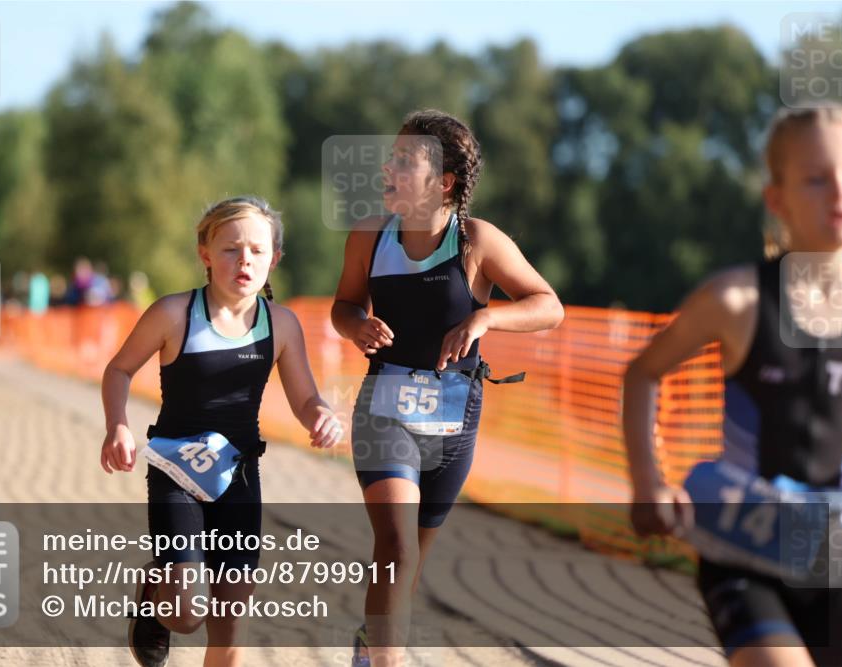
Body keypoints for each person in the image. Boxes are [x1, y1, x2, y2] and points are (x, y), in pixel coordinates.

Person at [330, 109, 564, 667]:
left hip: (456, 415)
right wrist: (354, 324)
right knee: (397, 547)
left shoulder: (476, 241)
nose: (388, 168)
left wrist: (485, 320)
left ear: (445, 182)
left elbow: (547, 305)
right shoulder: (370, 235)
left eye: (404, 161)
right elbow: (343, 304)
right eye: (391, 157)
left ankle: (371, 644)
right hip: (384, 406)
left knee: (409, 563)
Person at [624, 106, 842, 667]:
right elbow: (643, 372)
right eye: (817, 178)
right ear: (778, 200)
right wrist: (649, 483)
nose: (839, 191)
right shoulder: (737, 300)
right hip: (747, 552)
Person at [100, 196, 344, 667]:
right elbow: (118, 370)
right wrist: (118, 427)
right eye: (231, 249)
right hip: (176, 473)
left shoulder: (283, 325)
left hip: (240, 477)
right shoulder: (173, 313)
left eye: (257, 250)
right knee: (189, 614)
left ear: (274, 259)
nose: (244, 260)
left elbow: (305, 399)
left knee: (231, 622)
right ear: (205, 254)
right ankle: (155, 594)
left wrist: (321, 415)